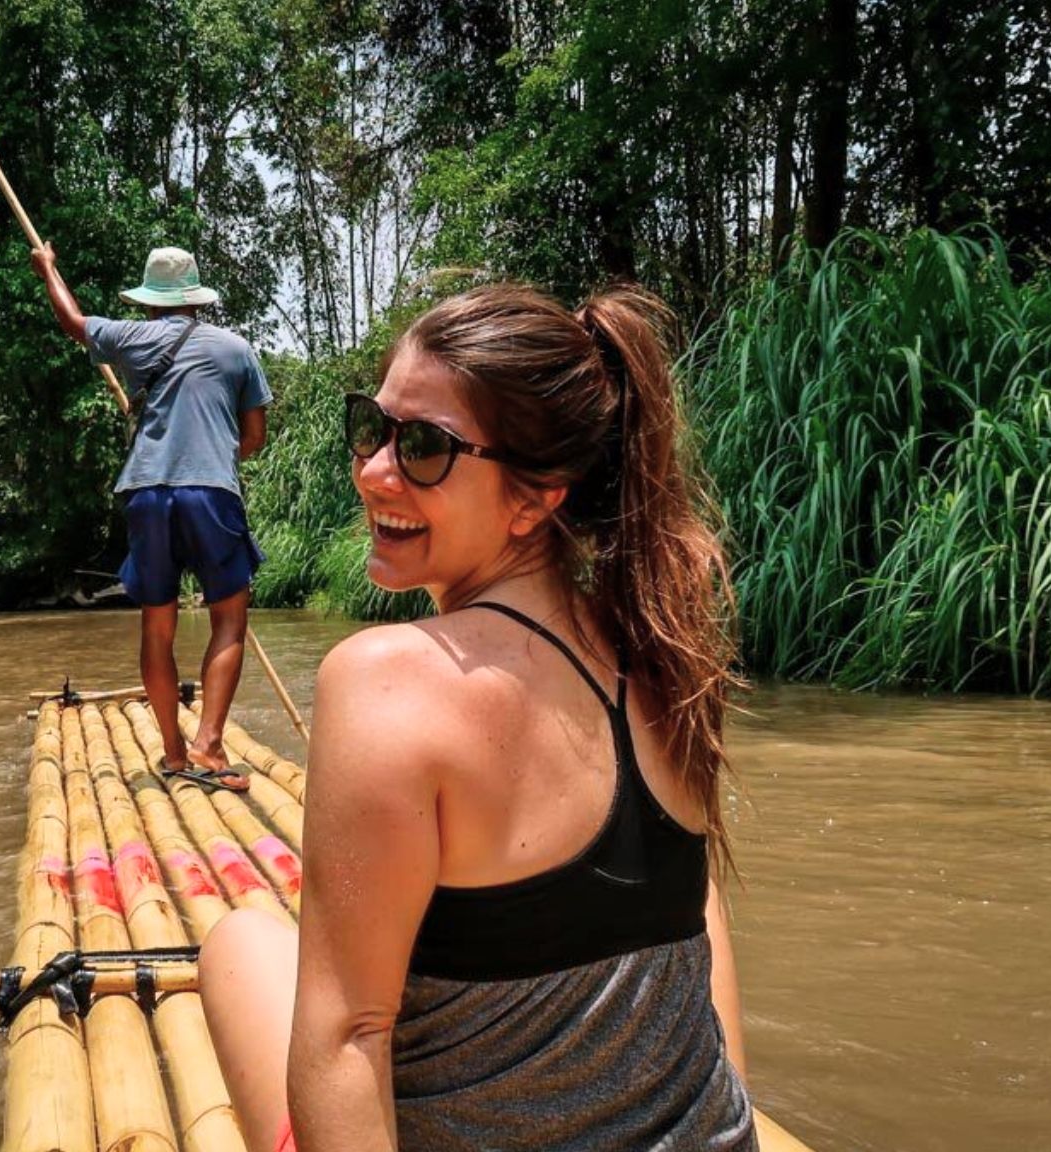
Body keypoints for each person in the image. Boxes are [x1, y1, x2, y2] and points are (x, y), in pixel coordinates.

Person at [198, 282, 756, 1151]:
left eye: (423, 447)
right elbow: (701, 913)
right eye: (371, 426)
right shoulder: (664, 646)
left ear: (536, 499)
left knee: (237, 941)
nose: (374, 469)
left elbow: (347, 1036)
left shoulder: (386, 679)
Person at [31, 243, 271, 789]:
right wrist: (209, 450)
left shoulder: (133, 339)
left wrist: (48, 267)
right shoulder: (237, 349)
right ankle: (210, 744)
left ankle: (173, 752)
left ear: (151, 303)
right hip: (210, 491)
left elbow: (72, 320)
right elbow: (253, 439)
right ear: (194, 299)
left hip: (145, 491)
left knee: (157, 626)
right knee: (230, 619)